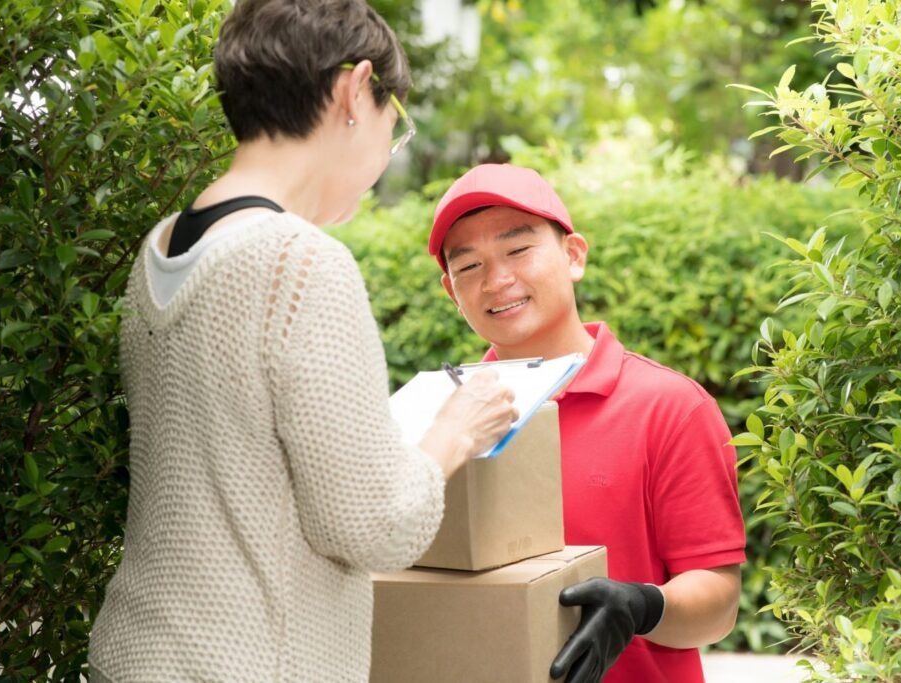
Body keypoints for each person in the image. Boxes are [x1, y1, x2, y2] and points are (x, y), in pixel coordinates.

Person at [87, 2, 517, 681]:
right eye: (392, 121)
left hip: (135, 651)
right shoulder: (299, 262)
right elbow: (377, 524)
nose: (387, 149)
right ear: (354, 90)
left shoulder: (163, 244)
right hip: (247, 664)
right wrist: (453, 432)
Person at [427, 163, 747, 683]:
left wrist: (642, 606)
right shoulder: (436, 420)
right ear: (451, 291)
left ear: (573, 256)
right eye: (469, 266)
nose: (497, 279)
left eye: (517, 249)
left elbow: (718, 602)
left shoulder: (669, 407)